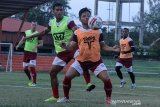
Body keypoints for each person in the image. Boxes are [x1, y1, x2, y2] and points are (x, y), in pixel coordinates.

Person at [24, 2, 95, 102]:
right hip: (61, 52)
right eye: (57, 10)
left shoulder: (68, 20)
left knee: (82, 61)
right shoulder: (51, 22)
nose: (59, 11)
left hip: (73, 48)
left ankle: (88, 83)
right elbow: (44, 32)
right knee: (52, 73)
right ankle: (55, 96)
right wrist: (30, 36)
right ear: (53, 11)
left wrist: (69, 42)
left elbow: (76, 31)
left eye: (61, 10)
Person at [57, 7, 119, 104]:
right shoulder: (77, 32)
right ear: (80, 18)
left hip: (96, 62)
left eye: (88, 16)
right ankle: (66, 98)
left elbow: (103, 46)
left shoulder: (98, 31)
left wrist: (112, 49)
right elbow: (72, 47)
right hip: (81, 61)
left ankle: (108, 99)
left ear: (91, 18)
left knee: (106, 79)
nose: (86, 17)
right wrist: (65, 47)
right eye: (84, 16)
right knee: (67, 77)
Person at [16, 21, 43, 86]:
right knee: (25, 68)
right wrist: (18, 45)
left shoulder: (38, 34)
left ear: (36, 26)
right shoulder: (26, 32)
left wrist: (36, 46)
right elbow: (23, 40)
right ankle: (30, 78)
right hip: (26, 52)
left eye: (35, 25)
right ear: (31, 25)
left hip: (33, 53)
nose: (34, 26)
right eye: (33, 25)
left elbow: (41, 44)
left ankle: (34, 82)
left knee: (32, 66)